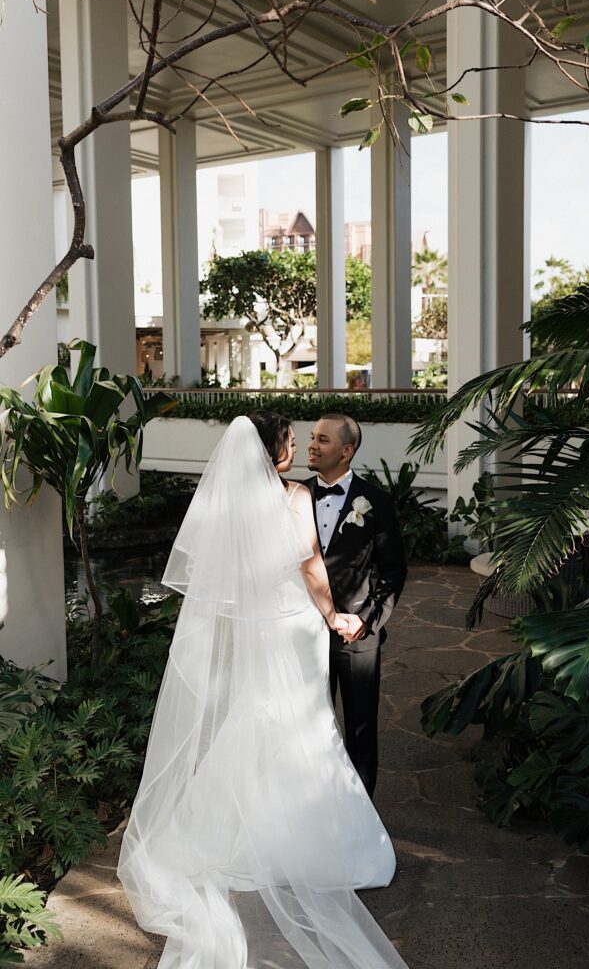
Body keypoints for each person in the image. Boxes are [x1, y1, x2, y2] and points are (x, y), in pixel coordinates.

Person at [117, 412, 409, 969]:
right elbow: (310, 565)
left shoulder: (230, 503)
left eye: (316, 439)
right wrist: (332, 616)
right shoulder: (295, 495)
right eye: (297, 441)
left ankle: (236, 829)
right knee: (305, 723)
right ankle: (321, 837)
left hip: (256, 625)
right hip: (296, 623)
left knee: (256, 716)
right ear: (276, 451)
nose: (304, 447)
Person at [306, 414, 407, 798]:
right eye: (312, 437)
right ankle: (315, 803)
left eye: (324, 440)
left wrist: (366, 621)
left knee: (360, 729)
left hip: (356, 638)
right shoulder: (295, 496)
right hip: (303, 632)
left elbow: (394, 571)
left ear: (347, 451)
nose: (313, 445)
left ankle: (361, 813)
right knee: (308, 726)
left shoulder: (376, 501)